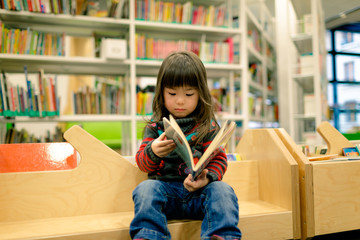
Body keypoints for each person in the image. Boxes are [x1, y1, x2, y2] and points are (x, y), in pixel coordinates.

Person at [130, 51, 242, 240]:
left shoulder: (208, 126)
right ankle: (150, 236)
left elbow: (220, 159)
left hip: (200, 195)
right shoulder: (156, 126)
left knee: (223, 190)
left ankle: (222, 236)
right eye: (172, 93)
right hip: (166, 195)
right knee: (145, 189)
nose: (180, 100)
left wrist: (207, 179)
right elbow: (143, 163)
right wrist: (154, 151)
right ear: (161, 93)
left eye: (189, 94)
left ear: (200, 94)